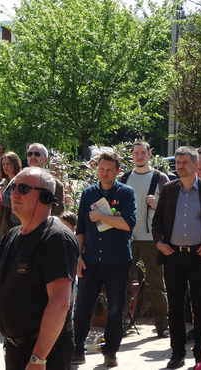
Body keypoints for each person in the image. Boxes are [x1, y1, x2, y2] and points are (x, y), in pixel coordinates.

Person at [0, 166, 79, 370]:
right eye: (13, 187)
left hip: (45, 352)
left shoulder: (57, 238)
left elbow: (60, 303)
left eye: (23, 189)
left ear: (46, 198)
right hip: (14, 348)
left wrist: (38, 358)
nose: (14, 194)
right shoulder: (12, 235)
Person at [152, 146, 201, 369]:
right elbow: (158, 221)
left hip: (200, 256)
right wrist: (159, 242)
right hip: (173, 256)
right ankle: (177, 352)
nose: (180, 166)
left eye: (185, 162)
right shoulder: (169, 189)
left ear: (196, 164)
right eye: (178, 163)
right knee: (175, 306)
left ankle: (200, 354)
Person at [72, 151, 137, 367]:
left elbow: (128, 223)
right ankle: (77, 349)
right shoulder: (88, 194)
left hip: (117, 261)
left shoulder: (126, 193)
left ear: (117, 171)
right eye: (101, 169)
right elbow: (81, 228)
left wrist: (101, 216)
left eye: (109, 169)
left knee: (116, 309)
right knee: (82, 308)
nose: (104, 173)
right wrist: (78, 257)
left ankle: (110, 352)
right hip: (90, 260)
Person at [119, 140, 170, 338]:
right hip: (128, 238)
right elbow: (116, 206)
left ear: (150, 154)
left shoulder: (160, 177)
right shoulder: (124, 178)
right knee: (124, 282)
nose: (139, 156)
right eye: (136, 153)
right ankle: (121, 321)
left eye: (143, 153)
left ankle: (162, 324)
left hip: (152, 239)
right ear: (132, 155)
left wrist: (159, 205)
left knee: (156, 282)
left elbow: (171, 209)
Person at [26, 143, 65, 216]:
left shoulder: (56, 185)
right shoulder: (18, 180)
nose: (33, 156)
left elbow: (58, 215)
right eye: (30, 154)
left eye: (37, 154)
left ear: (46, 159)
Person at [0, 152, 23, 240]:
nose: (5, 167)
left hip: (17, 224)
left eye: (8, 164)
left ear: (15, 164)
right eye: (3, 164)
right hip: (3, 224)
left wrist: (1, 197)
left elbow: (12, 200)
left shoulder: (21, 180)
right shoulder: (2, 182)